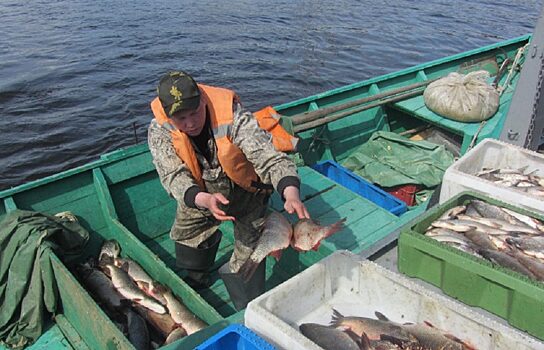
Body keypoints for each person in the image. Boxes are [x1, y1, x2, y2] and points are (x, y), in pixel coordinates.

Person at [148, 71, 309, 308]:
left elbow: (270, 158)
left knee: (250, 255)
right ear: (167, 114)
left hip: (246, 193)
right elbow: (172, 175)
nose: (190, 123)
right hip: (201, 194)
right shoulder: (159, 130)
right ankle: (197, 279)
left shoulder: (232, 116)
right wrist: (202, 199)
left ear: (203, 99)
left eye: (195, 113)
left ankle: (246, 304)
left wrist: (290, 191)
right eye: (180, 118)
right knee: (185, 235)